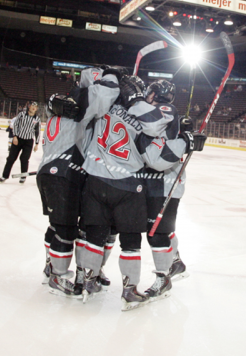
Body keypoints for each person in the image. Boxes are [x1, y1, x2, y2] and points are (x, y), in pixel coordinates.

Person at [75, 76, 175, 311]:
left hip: (96, 181)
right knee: (130, 242)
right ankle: (129, 291)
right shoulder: (143, 115)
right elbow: (155, 153)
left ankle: (88, 281)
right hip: (128, 186)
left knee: (94, 237)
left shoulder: (105, 108)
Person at [37, 67, 120, 297]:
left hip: (51, 171)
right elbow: (104, 96)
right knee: (66, 228)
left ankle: (53, 266)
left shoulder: (63, 102)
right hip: (65, 172)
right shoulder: (83, 102)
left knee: (58, 225)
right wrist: (114, 79)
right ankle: (58, 275)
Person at [140, 80, 205, 302]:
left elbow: (157, 152)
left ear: (154, 95)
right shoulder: (164, 115)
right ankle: (176, 262)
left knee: (156, 232)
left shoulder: (164, 114)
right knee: (163, 229)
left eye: (148, 94)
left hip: (165, 183)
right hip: (157, 182)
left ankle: (163, 278)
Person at [0, 101, 40, 184]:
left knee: (24, 159)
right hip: (18, 139)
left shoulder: (37, 119)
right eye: (32, 106)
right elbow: (15, 125)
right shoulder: (22, 115)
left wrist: (37, 143)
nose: (33, 108)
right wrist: (14, 136)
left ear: (37, 109)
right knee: (11, 158)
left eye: (35, 107)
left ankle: (23, 176)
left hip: (28, 142)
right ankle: (4, 175)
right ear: (29, 106)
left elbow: (37, 131)